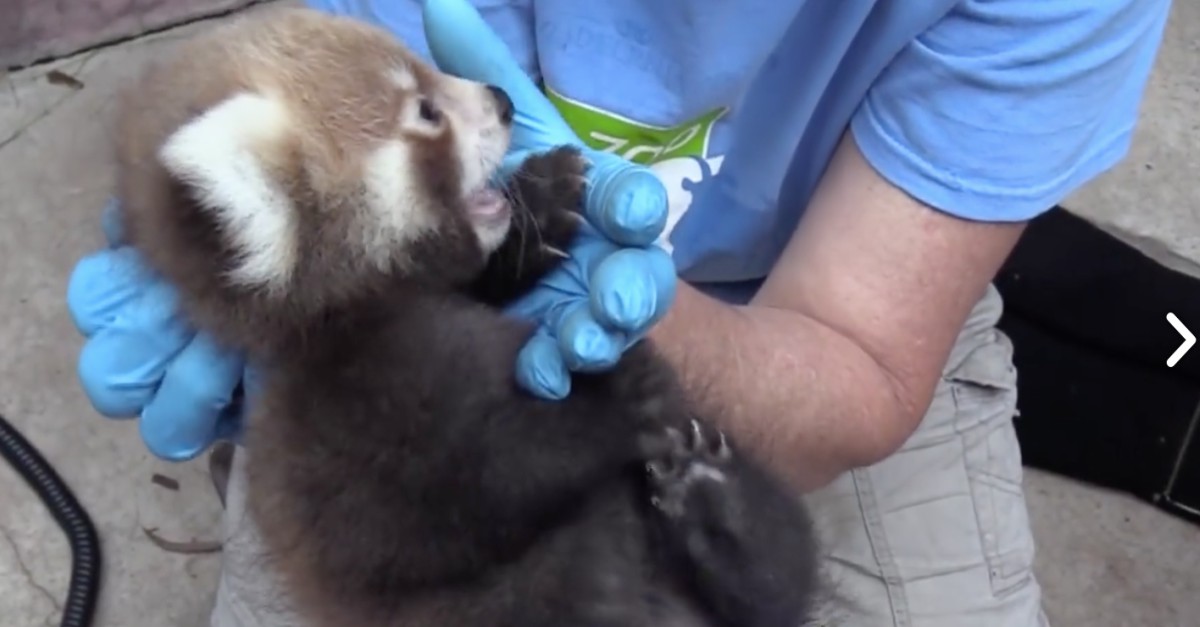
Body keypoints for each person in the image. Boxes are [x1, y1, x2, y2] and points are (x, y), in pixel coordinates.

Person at [65, 0, 1173, 624]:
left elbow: (857, 365)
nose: (484, 109)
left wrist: (652, 351)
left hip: (808, 296)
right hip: (426, 310)